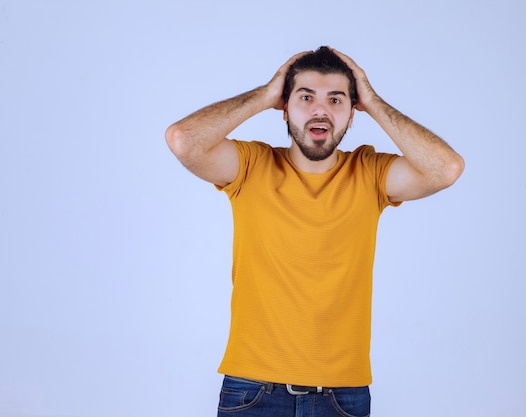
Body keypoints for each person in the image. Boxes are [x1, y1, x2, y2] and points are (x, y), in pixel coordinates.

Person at [165, 46, 464, 417]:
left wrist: (373, 100)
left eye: (336, 99)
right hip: (252, 392)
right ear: (285, 107)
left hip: (342, 397)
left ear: (352, 114)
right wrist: (263, 95)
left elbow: (446, 169)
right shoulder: (251, 166)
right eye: (306, 97)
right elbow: (182, 140)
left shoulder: (369, 173)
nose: (320, 110)